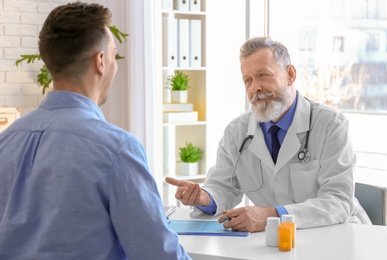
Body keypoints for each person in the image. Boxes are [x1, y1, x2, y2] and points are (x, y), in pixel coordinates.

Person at [0, 2, 190, 259]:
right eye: (113, 53)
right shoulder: (116, 148)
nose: (114, 62)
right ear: (100, 61)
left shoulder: (6, 142)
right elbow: (158, 254)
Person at [166, 36, 371, 232]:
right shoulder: (237, 132)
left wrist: (272, 216)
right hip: (277, 238)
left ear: (290, 75)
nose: (255, 88)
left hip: (337, 234)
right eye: (247, 80)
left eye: (263, 75)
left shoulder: (330, 124)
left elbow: (338, 201)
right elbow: (223, 188)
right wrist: (204, 198)